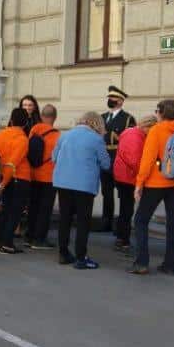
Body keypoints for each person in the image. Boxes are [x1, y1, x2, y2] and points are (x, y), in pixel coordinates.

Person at [130, 99, 174, 275]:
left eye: (157, 111)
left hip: (156, 182)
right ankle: (170, 265)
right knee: (173, 224)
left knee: (141, 220)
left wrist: (139, 183)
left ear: (161, 113)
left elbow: (148, 160)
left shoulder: (156, 130)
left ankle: (141, 263)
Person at [51, 112, 111, 269]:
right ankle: (81, 257)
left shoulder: (65, 135)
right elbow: (106, 164)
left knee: (65, 219)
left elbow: (54, 157)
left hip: (63, 182)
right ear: (97, 124)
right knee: (83, 222)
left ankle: (63, 253)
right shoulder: (96, 139)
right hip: (84, 185)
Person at [113, 115, 156, 254]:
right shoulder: (136, 137)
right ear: (147, 126)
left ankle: (121, 237)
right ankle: (123, 240)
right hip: (128, 177)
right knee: (127, 210)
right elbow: (135, 161)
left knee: (125, 209)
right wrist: (145, 174)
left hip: (121, 175)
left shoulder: (128, 132)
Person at [0, 108, 31, 254]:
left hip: (6, 176)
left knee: (6, 210)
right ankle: (7, 244)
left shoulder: (1, 134)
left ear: (11, 120)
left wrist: (3, 181)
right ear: (26, 122)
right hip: (19, 178)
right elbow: (13, 163)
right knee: (15, 213)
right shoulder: (22, 139)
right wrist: (3, 184)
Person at [100, 86, 136, 232]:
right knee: (106, 193)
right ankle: (106, 222)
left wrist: (116, 137)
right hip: (104, 159)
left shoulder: (128, 119)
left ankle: (122, 225)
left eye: (113, 97)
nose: (110, 99)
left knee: (123, 195)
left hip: (119, 160)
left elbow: (131, 140)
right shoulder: (102, 117)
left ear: (121, 101)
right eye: (109, 97)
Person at [26, 104, 60, 249]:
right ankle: (39, 239)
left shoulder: (34, 130)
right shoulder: (57, 136)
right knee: (45, 209)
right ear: (55, 117)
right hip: (49, 177)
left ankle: (29, 235)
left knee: (33, 206)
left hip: (33, 174)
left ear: (41, 116)